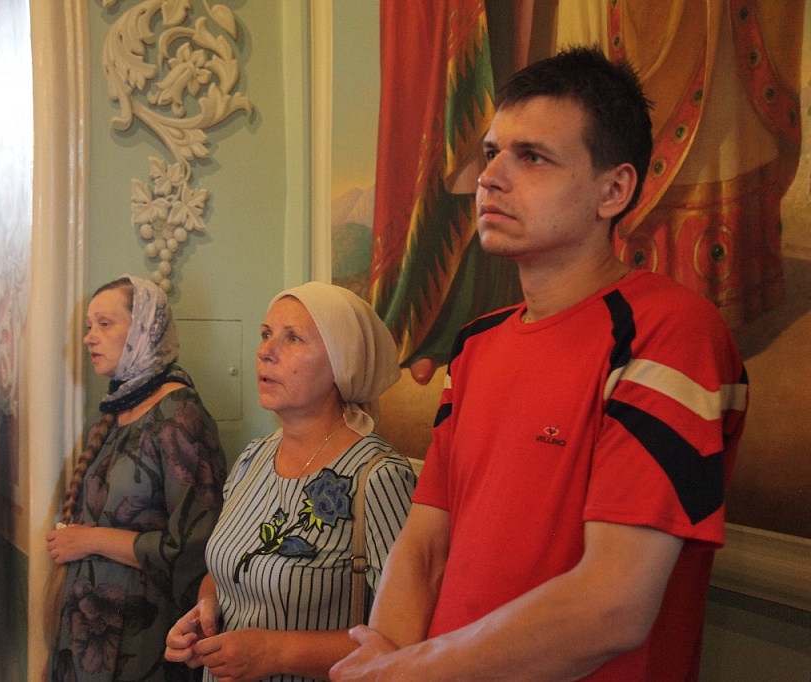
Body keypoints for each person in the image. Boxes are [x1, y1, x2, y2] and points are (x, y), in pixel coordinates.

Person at [330, 47, 748, 682]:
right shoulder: (476, 345)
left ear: (614, 189)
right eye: (492, 152)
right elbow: (425, 546)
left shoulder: (668, 331)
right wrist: (386, 654)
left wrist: (406, 672)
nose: (490, 178)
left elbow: (612, 608)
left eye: (532, 157)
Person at [165, 281, 416, 681]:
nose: (265, 351)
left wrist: (275, 652)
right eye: (266, 334)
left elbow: (401, 642)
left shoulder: (379, 476)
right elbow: (228, 566)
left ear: (342, 362)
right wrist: (206, 611)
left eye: (293, 338)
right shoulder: (253, 458)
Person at [45, 275, 227, 682]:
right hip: (85, 638)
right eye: (88, 326)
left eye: (105, 324)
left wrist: (91, 540)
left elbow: (195, 548)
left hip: (144, 638)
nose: (90, 337)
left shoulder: (179, 415)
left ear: (145, 330)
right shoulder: (120, 408)